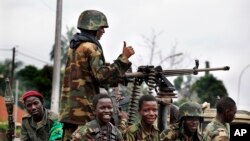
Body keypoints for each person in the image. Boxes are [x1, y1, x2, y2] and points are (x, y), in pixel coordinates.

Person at [59, 10, 135, 140]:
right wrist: (124, 58)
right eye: (101, 28)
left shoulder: (75, 46)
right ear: (92, 26)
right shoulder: (91, 48)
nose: (103, 32)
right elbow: (102, 77)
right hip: (85, 110)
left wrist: (108, 68)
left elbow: (88, 74)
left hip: (69, 111)